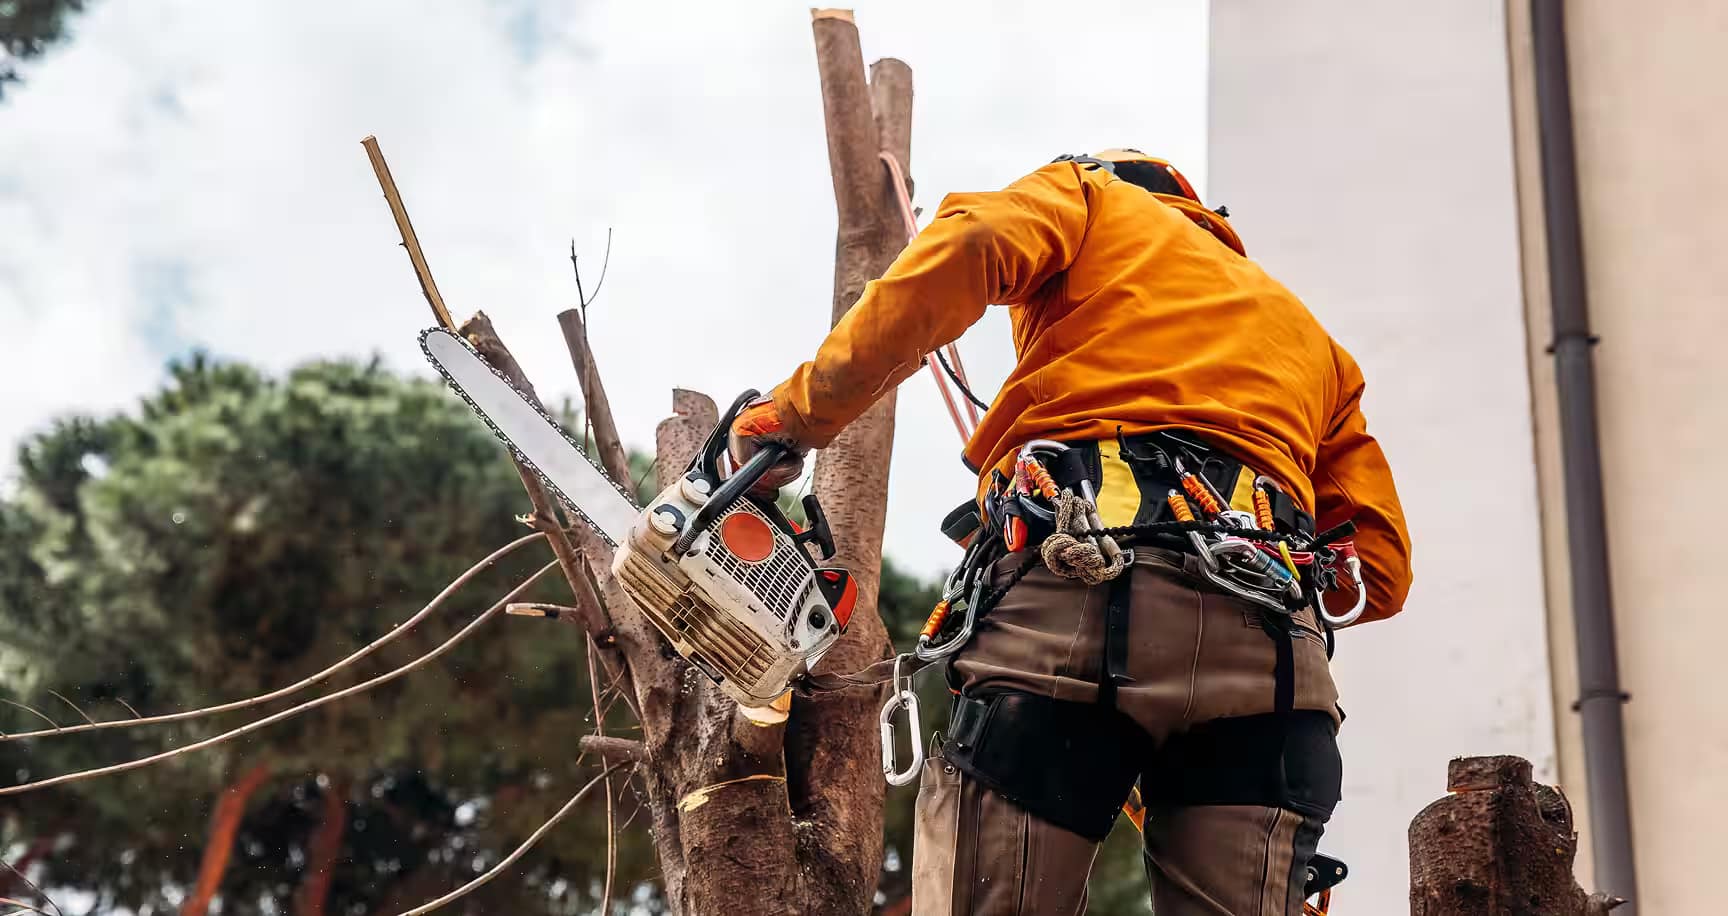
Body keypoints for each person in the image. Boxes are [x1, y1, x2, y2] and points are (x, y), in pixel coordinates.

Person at [728, 149, 1412, 915]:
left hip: (1076, 607)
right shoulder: (1311, 340)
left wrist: (794, 416)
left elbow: (973, 243)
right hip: (1277, 667)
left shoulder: (1089, 197)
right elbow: (1378, 573)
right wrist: (1200, 657)